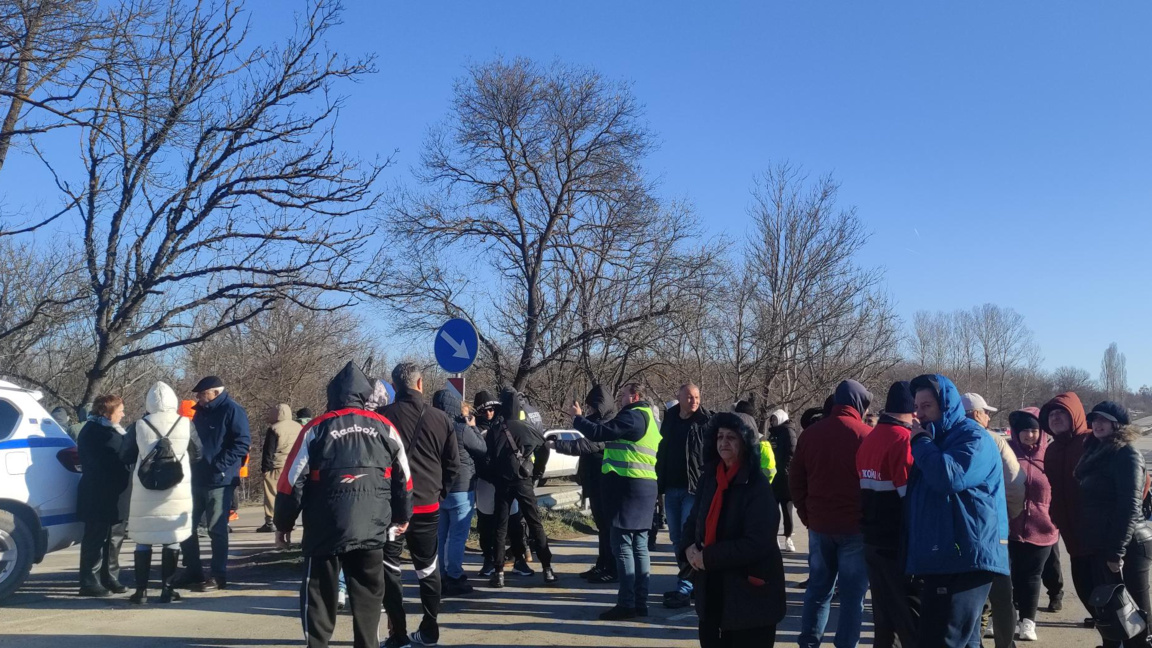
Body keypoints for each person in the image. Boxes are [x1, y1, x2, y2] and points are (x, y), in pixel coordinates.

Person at [275, 361, 413, 648]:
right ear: (364, 395)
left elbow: (291, 481)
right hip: (372, 527)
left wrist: (283, 523)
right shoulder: (385, 427)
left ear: (333, 394)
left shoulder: (316, 428)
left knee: (318, 596)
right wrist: (402, 515)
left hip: (325, 529)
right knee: (368, 596)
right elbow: (404, 477)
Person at [906, 374, 1009, 648]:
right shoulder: (936, 440)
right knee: (963, 640)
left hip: (967, 556)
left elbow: (948, 478)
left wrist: (921, 443)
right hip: (942, 554)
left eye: (926, 405)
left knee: (945, 639)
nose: (919, 413)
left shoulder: (973, 437)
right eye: (917, 406)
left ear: (946, 405)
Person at [680, 411, 786, 647]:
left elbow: (758, 542)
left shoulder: (757, 485)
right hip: (712, 590)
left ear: (745, 443)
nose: (724, 443)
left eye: (731, 438)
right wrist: (688, 549)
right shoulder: (709, 478)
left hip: (749, 597)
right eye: (720, 437)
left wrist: (708, 557)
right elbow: (693, 520)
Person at [380, 363, 460, 648]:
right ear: (421, 384)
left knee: (390, 568)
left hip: (391, 510)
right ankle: (429, 630)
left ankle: (397, 634)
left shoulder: (382, 417)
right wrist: (439, 493)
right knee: (428, 569)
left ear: (395, 385)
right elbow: (454, 465)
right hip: (427, 506)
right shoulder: (441, 419)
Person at [790, 379, 872, 648]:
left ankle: (809, 643)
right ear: (859, 404)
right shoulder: (866, 436)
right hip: (855, 528)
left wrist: (806, 514)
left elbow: (796, 480)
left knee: (818, 591)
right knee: (852, 597)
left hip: (820, 526)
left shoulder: (810, 434)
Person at [567, 382, 660, 620]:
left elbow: (601, 433)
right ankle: (640, 602)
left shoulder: (633, 417)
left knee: (622, 546)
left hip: (628, 489)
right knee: (639, 547)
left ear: (635, 396)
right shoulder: (649, 419)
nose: (619, 399)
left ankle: (627, 603)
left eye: (622, 395)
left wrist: (578, 419)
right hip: (643, 487)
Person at [1076, 401, 1152, 648]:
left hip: (1128, 546)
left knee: (1135, 618)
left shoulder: (1126, 454)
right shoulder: (1097, 451)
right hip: (1103, 544)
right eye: (1095, 419)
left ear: (1117, 424)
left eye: (1104, 420)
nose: (1097, 424)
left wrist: (1116, 551)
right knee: (1113, 614)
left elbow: (1130, 506)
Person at [120, 382, 202, 604]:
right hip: (176, 489)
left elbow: (126, 454)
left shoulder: (139, 425)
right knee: (172, 539)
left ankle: (141, 591)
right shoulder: (185, 424)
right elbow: (198, 453)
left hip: (145, 489)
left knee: (143, 541)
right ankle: (168, 590)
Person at [856, 381, 919, 648]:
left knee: (884, 623)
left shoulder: (869, 440)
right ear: (910, 409)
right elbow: (910, 500)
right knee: (910, 624)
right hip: (896, 544)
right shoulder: (903, 440)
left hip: (871, 539)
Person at [174, 375, 250, 592]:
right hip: (196, 477)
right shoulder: (199, 413)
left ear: (215, 392)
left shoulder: (233, 410)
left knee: (216, 529)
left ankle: (218, 575)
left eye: (202, 393)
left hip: (220, 480)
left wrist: (219, 465)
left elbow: (242, 443)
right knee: (186, 526)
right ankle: (193, 571)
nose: (198, 397)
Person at [962, 392, 1024, 648]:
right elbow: (1015, 481)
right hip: (992, 529)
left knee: (967, 597)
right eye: (986, 412)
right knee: (1001, 596)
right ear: (977, 414)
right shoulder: (993, 441)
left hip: (961, 531)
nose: (988, 416)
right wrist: (1010, 513)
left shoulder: (945, 439)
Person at [488, 388, 556, 589]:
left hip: (502, 482)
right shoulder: (526, 427)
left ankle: (499, 572)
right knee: (535, 524)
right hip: (523, 480)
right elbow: (544, 447)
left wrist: (496, 473)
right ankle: (547, 569)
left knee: (500, 527)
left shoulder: (495, 429)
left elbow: (488, 456)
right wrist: (537, 472)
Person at [551, 385, 617, 584]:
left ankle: (611, 568)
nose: (589, 411)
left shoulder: (609, 424)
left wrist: (557, 445)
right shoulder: (597, 422)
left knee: (607, 529)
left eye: (591, 408)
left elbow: (588, 445)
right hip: (595, 482)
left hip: (605, 482)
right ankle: (602, 564)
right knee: (602, 528)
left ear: (601, 407)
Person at [655, 382, 712, 609]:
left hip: (694, 489)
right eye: (689, 397)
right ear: (679, 397)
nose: (694, 401)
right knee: (677, 539)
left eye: (697, 397)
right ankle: (689, 579)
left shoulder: (706, 421)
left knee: (692, 539)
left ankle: (687, 585)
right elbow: (662, 452)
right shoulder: (669, 419)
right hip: (672, 487)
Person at [1006, 406, 1058, 642]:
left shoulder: (1051, 455)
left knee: (1032, 576)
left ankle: (1028, 622)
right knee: (1012, 575)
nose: (1029, 435)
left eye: (1034, 430)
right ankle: (1011, 616)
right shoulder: (1006, 452)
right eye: (1024, 430)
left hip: (1044, 527)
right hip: (1010, 527)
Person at [1042, 391, 1093, 622]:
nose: (1055, 418)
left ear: (1075, 415)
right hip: (1072, 538)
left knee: (1115, 597)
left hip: (1100, 538)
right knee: (1085, 590)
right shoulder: (1052, 449)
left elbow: (1138, 479)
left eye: (1061, 412)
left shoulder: (1092, 441)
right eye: (1052, 414)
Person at [76, 394, 133, 597]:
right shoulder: (92, 432)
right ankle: (89, 581)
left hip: (117, 494)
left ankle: (110, 576)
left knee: (115, 537)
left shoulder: (115, 431)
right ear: (107, 412)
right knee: (95, 537)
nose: (123, 414)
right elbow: (97, 462)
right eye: (120, 411)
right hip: (98, 492)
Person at [433, 388, 485, 597]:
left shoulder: (433, 427)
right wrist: (472, 427)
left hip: (439, 489)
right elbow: (482, 448)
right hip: (462, 489)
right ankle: (454, 575)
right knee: (457, 536)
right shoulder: (462, 429)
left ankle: (440, 574)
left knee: (440, 535)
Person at [471, 390, 529, 578]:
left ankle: (518, 559)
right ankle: (489, 560)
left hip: (505, 481)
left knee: (513, 521)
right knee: (486, 523)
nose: (488, 413)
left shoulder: (502, 425)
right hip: (486, 482)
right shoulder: (473, 429)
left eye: (491, 409)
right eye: (484, 410)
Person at [257, 404, 303, 533]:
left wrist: (265, 469)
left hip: (277, 466)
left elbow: (268, 451)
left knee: (272, 494)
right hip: (295, 465)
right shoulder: (298, 427)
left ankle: (270, 521)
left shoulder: (274, 429)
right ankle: (290, 521)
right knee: (290, 494)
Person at [766, 408, 798, 553]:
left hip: (785, 477)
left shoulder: (788, 432)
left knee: (787, 509)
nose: (772, 422)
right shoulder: (772, 434)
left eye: (774, 419)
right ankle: (773, 539)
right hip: (773, 477)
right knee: (772, 510)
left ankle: (788, 538)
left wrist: (785, 470)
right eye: (771, 420)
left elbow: (792, 452)